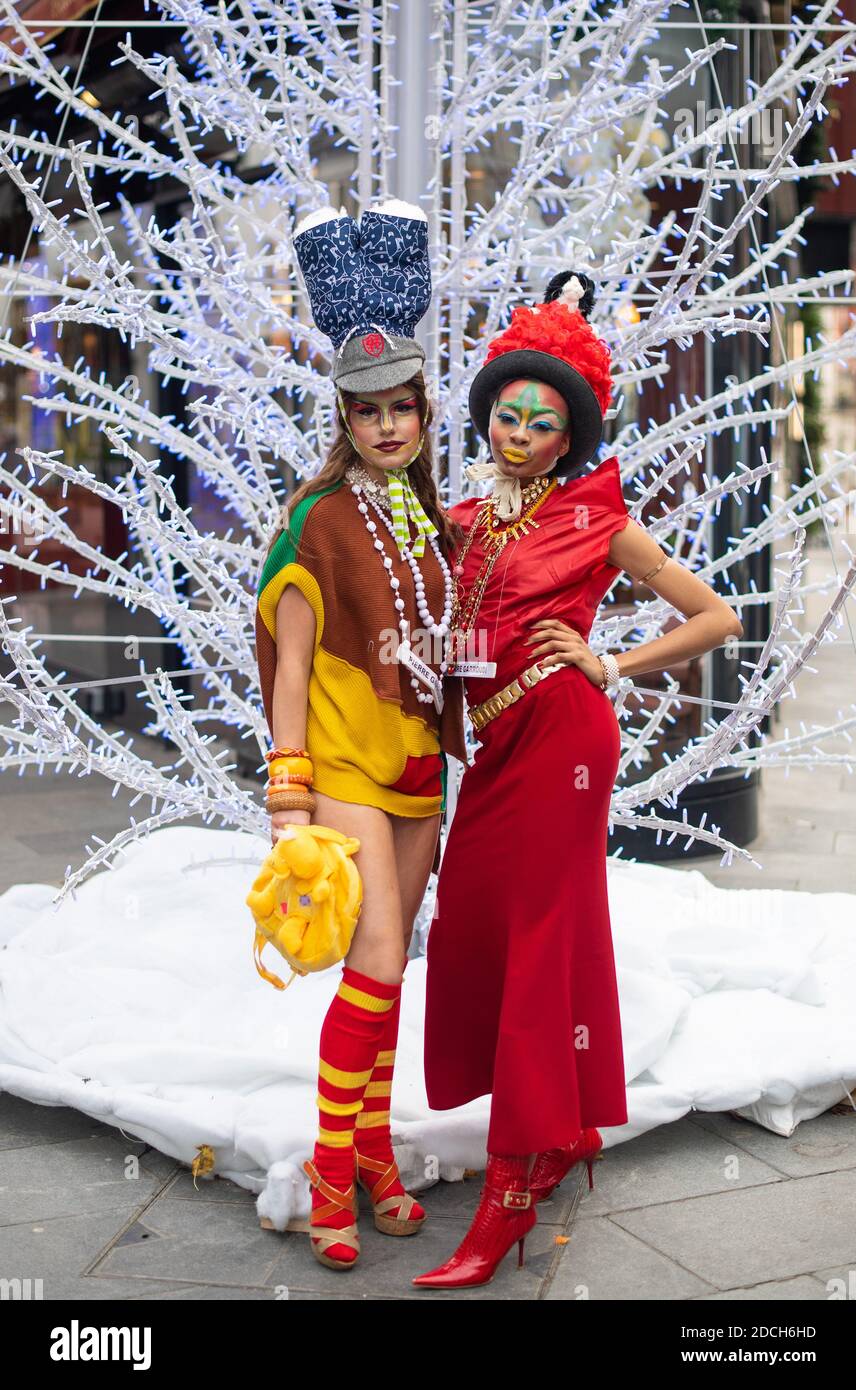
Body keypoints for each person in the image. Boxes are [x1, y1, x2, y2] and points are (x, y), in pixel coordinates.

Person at [413, 269, 744, 1289]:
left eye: (540, 420)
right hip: (493, 749)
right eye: (506, 413)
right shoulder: (463, 519)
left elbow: (712, 615)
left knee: (542, 939)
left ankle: (514, 1183)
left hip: (561, 739)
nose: (517, 431)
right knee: (476, 921)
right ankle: (554, 1129)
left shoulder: (596, 520)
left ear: (568, 436)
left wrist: (609, 661)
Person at [254, 200, 467, 1270]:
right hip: (337, 766)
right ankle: (333, 1167)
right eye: (365, 407)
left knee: (389, 976)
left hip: (417, 771)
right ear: (340, 415)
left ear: (423, 412)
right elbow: (290, 663)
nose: (386, 424)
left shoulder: (427, 515)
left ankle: (376, 1153)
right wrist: (286, 794)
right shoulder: (315, 520)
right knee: (376, 957)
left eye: (402, 406)